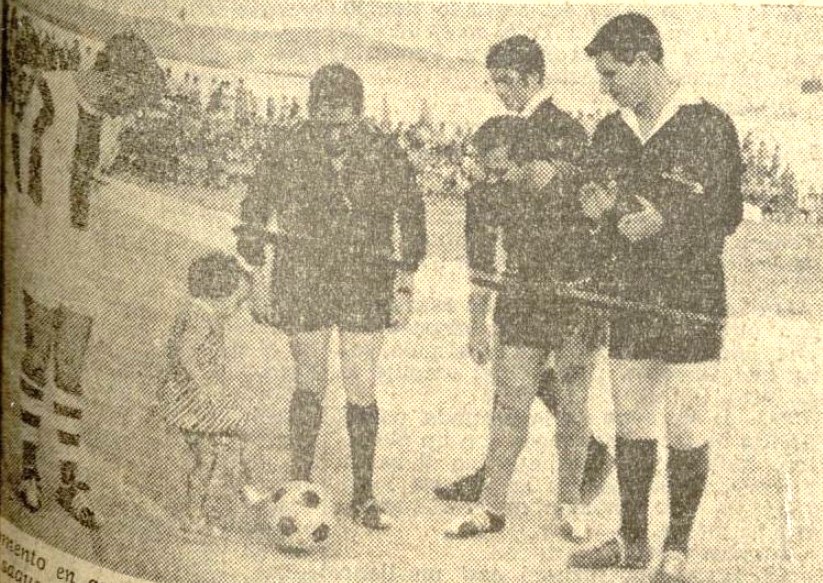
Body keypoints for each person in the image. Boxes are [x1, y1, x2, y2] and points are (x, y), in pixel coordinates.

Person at [568, 14, 744, 582]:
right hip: (630, 298)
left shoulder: (708, 124)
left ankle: (678, 547)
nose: (606, 85)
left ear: (645, 61)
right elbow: (594, 199)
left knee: (687, 426)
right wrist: (596, 211)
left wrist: (664, 219)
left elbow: (727, 212)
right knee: (632, 423)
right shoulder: (610, 132)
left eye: (613, 73)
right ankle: (632, 540)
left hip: (692, 300)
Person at [235, 63, 427, 530]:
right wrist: (257, 278)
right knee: (310, 380)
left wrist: (403, 283)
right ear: (312, 110)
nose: (334, 131)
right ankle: (299, 483)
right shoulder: (286, 145)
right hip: (302, 274)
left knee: (360, 382)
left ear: (359, 114)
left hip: (366, 277)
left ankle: (363, 494)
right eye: (324, 120)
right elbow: (254, 211)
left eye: (343, 122)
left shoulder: (384, 150)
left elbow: (412, 218)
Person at [433, 35, 613, 533]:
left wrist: (559, 175)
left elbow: (596, 194)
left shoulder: (565, 129)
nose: (501, 91)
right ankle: (492, 501)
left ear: (534, 78)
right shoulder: (497, 145)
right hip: (523, 287)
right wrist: (477, 318)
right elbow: (485, 245)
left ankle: (571, 502)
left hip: (573, 287)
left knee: (572, 400)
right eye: (495, 82)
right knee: (512, 394)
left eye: (509, 81)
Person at [13, 31, 165, 530]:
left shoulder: (115, 124)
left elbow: (92, 188)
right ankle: (31, 468)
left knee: (72, 369)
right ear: (107, 71)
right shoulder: (50, 89)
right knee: (38, 355)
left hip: (82, 251)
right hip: (40, 240)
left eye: (133, 98)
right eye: (124, 91)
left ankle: (70, 480)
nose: (126, 104)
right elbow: (21, 173)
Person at [156, 253, 252, 537]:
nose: (234, 307)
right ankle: (201, 512)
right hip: (191, 402)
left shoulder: (202, 307)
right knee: (210, 453)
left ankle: (235, 492)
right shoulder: (201, 316)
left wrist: (249, 276)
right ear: (219, 291)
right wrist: (204, 385)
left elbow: (238, 299)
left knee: (212, 452)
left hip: (192, 400)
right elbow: (185, 353)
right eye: (232, 298)